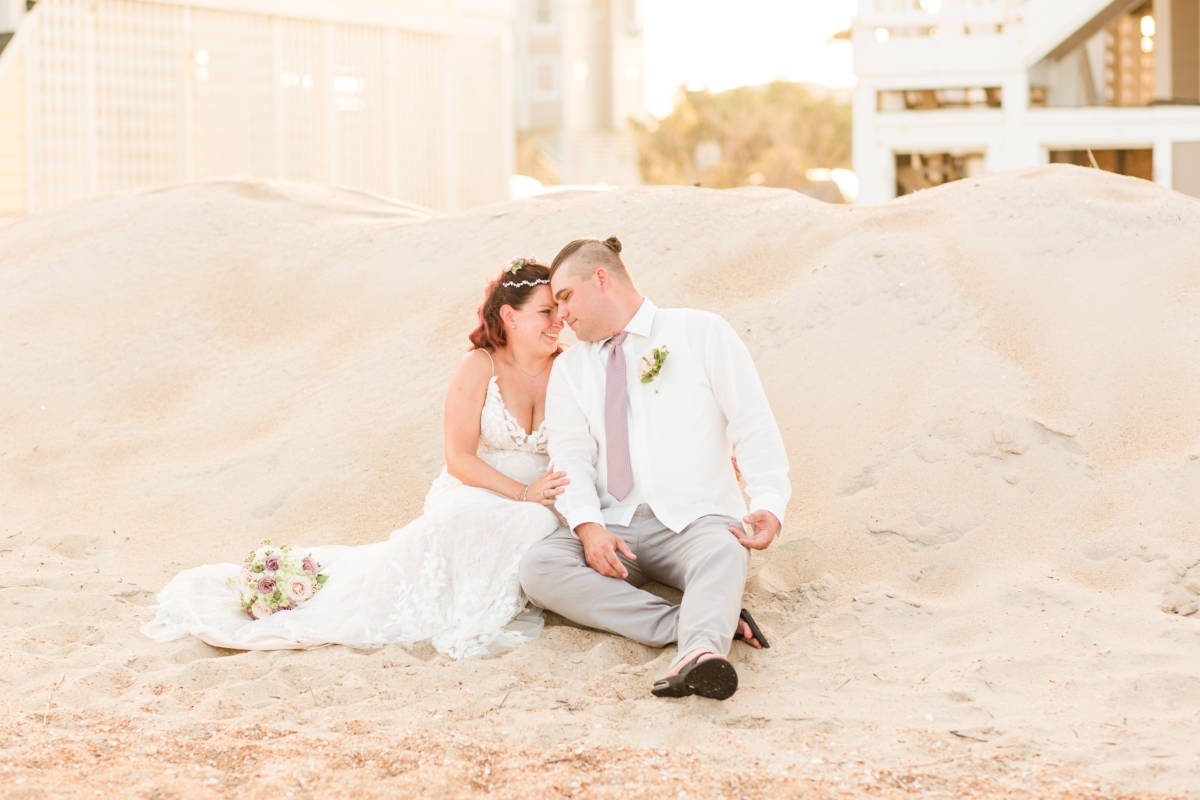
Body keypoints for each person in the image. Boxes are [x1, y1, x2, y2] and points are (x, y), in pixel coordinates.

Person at [142, 259, 570, 659]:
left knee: (537, 520)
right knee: (516, 522)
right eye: (545, 312)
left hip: (543, 494)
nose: (558, 322)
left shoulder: (569, 368)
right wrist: (522, 493)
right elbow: (458, 458)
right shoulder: (479, 366)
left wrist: (542, 494)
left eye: (559, 310)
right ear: (511, 317)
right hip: (481, 487)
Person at [518, 236, 790, 699]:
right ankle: (696, 620)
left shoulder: (701, 332)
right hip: (613, 527)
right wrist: (587, 528)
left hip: (695, 520)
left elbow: (752, 422)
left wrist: (768, 501)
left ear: (601, 278)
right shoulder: (571, 369)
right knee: (539, 567)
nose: (560, 315)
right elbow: (570, 457)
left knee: (726, 550)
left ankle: (701, 653)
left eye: (565, 297)